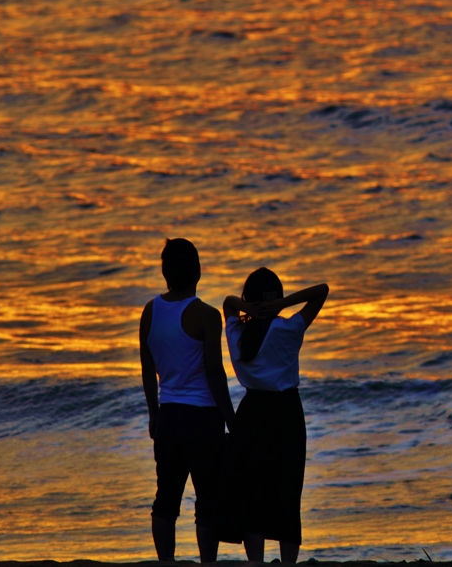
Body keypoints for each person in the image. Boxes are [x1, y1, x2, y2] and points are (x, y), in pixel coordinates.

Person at [221, 268, 329, 564]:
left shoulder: (237, 335)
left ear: (248, 300)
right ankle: (288, 563)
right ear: (277, 298)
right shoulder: (288, 329)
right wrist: (282, 304)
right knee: (287, 490)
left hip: (252, 412)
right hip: (286, 413)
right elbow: (322, 289)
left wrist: (248, 307)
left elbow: (228, 303)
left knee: (253, 490)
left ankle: (256, 562)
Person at [139, 238, 235, 563]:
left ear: (165, 273)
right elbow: (215, 373)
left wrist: (153, 414)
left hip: (168, 416)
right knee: (207, 499)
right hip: (202, 418)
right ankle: (208, 562)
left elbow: (147, 366)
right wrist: (231, 418)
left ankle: (166, 562)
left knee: (165, 499)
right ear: (197, 272)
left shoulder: (150, 311)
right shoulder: (206, 315)